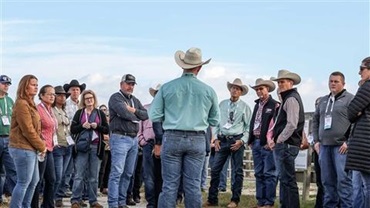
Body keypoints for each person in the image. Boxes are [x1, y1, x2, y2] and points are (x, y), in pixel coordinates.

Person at [150, 47, 220, 208]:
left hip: (172, 136)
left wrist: (171, 116)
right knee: (193, 185)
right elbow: (215, 120)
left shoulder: (167, 88)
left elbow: (154, 115)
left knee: (169, 185)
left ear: (182, 66)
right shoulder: (208, 91)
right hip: (197, 138)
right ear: (199, 67)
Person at [204, 78, 251, 208]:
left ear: (241, 92)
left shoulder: (245, 107)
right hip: (223, 139)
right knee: (215, 169)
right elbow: (216, 122)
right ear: (230, 89)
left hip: (237, 140)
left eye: (237, 88)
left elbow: (248, 127)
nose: (235, 90)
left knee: (237, 171)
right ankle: (212, 199)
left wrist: (242, 141)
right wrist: (216, 138)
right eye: (233, 88)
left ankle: (235, 200)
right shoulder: (222, 104)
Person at [312, 71, 354, 208]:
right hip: (324, 147)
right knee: (327, 182)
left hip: (340, 148)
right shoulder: (323, 100)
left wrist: (348, 141)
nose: (333, 84)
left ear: (343, 83)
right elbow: (316, 120)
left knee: (343, 181)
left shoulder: (350, 99)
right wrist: (316, 141)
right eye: (331, 81)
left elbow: (356, 122)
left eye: (336, 81)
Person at [107, 74, 148, 208]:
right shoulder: (115, 98)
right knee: (117, 171)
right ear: (121, 84)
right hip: (120, 137)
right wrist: (135, 115)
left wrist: (133, 110)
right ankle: (113, 203)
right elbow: (124, 113)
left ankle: (121, 201)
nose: (130, 86)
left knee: (128, 173)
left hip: (133, 139)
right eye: (128, 83)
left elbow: (146, 115)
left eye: (132, 84)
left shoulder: (134, 100)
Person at [9, 74, 47, 207]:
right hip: (22, 147)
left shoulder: (31, 104)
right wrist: (41, 146)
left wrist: (40, 146)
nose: (36, 87)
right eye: (33, 84)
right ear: (25, 86)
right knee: (23, 182)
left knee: (33, 181)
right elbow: (27, 130)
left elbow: (36, 129)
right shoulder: (21, 103)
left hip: (31, 148)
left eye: (37, 84)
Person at [270, 69, 305, 208]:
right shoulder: (289, 97)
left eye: (282, 82)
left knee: (287, 180)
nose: (280, 84)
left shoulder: (291, 98)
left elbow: (291, 124)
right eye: (279, 82)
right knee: (285, 180)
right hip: (287, 144)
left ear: (291, 82)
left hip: (287, 144)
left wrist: (279, 139)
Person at [70, 89, 109, 208]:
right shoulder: (80, 113)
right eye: (87, 98)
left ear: (94, 99)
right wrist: (82, 126)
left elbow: (106, 129)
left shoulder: (99, 113)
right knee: (79, 175)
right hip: (82, 147)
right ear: (84, 100)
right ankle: (75, 200)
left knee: (93, 176)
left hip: (96, 146)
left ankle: (93, 201)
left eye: (91, 98)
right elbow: (73, 129)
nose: (89, 100)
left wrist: (97, 126)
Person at [247, 78, 278, 208]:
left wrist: (272, 141)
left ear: (268, 89)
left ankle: (269, 202)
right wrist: (251, 139)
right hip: (256, 142)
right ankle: (260, 201)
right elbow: (253, 122)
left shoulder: (274, 105)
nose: (259, 91)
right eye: (257, 89)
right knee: (259, 173)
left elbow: (276, 125)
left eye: (261, 88)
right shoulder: (256, 105)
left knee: (269, 173)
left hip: (267, 143)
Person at [345, 56, 370, 208]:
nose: (359, 72)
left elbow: (350, 112)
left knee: (367, 187)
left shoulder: (367, 87)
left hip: (365, 143)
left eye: (362, 69)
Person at [31, 85, 58, 208]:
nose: (52, 96)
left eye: (54, 94)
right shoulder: (38, 109)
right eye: (49, 94)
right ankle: (34, 205)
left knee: (51, 179)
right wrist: (40, 143)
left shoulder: (51, 110)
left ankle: (48, 205)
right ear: (41, 95)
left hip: (50, 148)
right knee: (38, 180)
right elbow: (35, 129)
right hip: (40, 149)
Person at [139, 84, 163, 208]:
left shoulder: (167, 109)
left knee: (161, 175)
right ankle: (151, 203)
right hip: (148, 143)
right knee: (148, 175)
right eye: (157, 92)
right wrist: (142, 140)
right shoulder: (145, 108)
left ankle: (159, 201)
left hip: (163, 144)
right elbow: (140, 126)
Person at [63, 79, 86, 198]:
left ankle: (76, 189)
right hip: (69, 136)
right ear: (69, 91)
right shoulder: (65, 104)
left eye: (77, 89)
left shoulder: (83, 105)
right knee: (69, 164)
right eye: (73, 89)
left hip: (82, 137)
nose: (75, 91)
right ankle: (65, 187)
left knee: (79, 165)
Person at [52, 85, 72, 207]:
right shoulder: (51, 109)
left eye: (64, 96)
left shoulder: (64, 110)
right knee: (57, 175)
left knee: (65, 175)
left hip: (67, 144)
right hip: (57, 145)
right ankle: (52, 197)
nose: (62, 98)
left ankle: (58, 197)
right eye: (59, 95)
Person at [0, 75, 17, 201]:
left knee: (12, 169)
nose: (6, 86)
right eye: (4, 83)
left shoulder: (10, 101)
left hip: (8, 138)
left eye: (8, 84)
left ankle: (13, 195)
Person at [312, 96, 324, 208]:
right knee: (320, 181)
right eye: (316, 105)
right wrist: (315, 142)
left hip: (327, 148)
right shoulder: (316, 120)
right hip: (317, 150)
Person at [98, 104, 110, 195]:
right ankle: (99, 187)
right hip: (102, 147)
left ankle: (105, 186)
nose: (104, 111)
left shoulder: (110, 122)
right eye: (102, 110)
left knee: (108, 168)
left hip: (111, 147)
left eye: (105, 110)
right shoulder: (99, 121)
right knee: (101, 168)